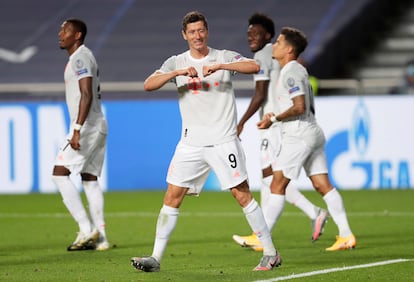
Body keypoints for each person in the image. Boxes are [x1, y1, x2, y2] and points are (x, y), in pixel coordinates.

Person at [130, 11, 281, 272]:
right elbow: (148, 84)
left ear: (207, 31)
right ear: (184, 35)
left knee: (241, 193)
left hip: (223, 140)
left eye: (201, 30)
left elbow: (254, 66)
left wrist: (222, 67)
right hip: (190, 143)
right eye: (192, 32)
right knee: (172, 196)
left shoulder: (222, 56)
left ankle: (270, 253)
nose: (197, 36)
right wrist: (176, 73)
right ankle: (155, 258)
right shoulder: (176, 62)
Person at [232, 13, 329, 252]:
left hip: (275, 124)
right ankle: (310, 214)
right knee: (270, 178)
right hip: (278, 123)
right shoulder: (279, 58)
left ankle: (263, 233)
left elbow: (260, 92)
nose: (250, 37)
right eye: (248, 33)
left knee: (274, 179)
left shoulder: (264, 55)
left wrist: (242, 121)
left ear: (268, 36)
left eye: (255, 33)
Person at [256, 27, 356, 251]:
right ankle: (346, 235)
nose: (275, 45)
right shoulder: (295, 69)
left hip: (298, 132)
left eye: (279, 42)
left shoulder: (291, 71)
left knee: (277, 184)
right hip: (313, 130)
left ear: (289, 49)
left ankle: (262, 237)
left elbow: (298, 107)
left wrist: (274, 119)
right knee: (323, 186)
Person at [52, 18, 109, 251]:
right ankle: (102, 238)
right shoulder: (83, 56)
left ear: (77, 35)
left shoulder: (80, 57)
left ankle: (86, 230)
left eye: (65, 30)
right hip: (98, 124)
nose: (60, 33)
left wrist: (76, 129)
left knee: (59, 174)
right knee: (89, 179)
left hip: (86, 126)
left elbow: (86, 93)